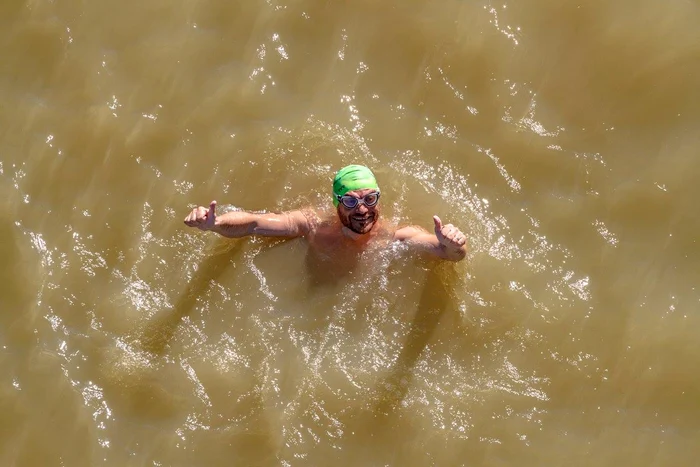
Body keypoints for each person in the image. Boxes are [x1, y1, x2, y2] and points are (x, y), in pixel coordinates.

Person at [183, 165, 467, 262]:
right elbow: (254, 223)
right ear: (336, 203)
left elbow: (443, 252)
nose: (363, 210)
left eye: (370, 198)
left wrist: (454, 245)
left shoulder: (393, 236)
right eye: (351, 201)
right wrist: (217, 224)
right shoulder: (313, 224)